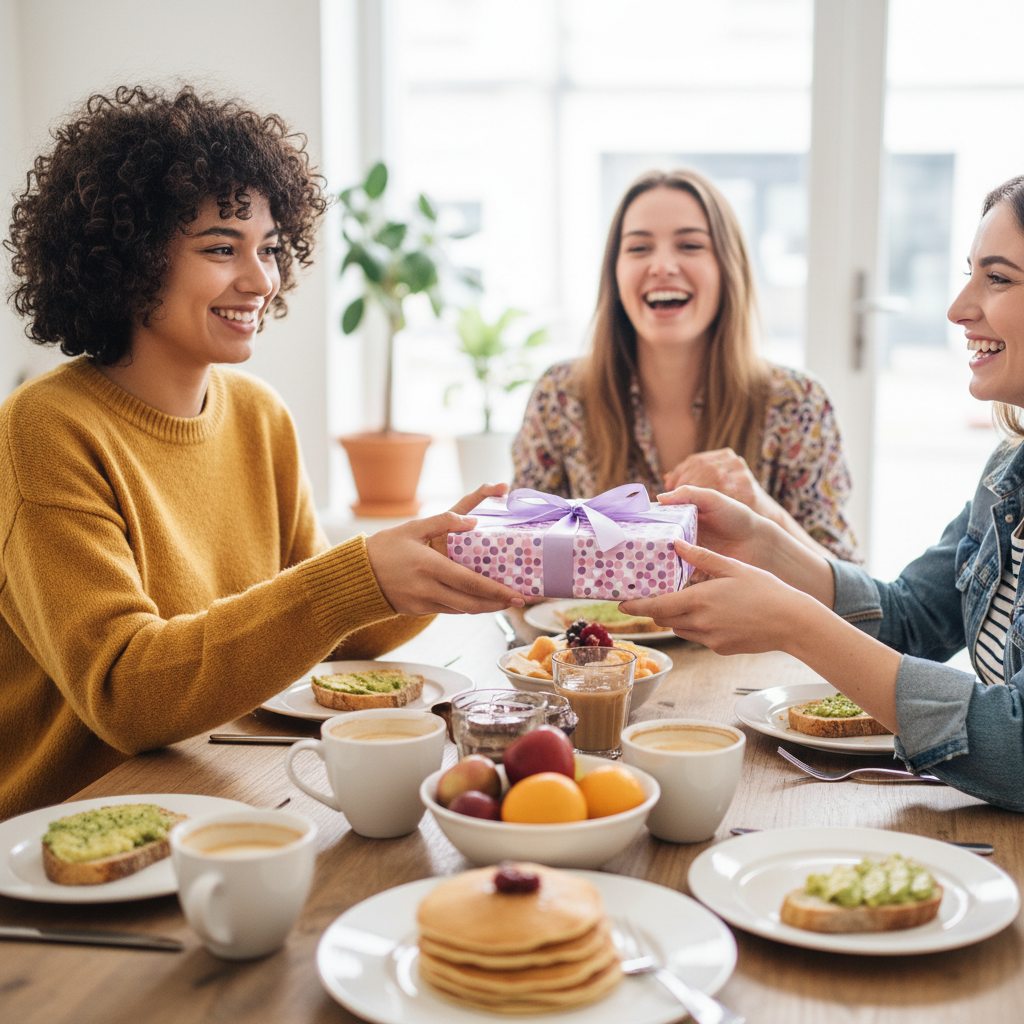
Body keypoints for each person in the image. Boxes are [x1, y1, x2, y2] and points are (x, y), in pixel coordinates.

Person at [0, 86, 523, 820]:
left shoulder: (258, 416)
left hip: (217, 796)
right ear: (129, 258)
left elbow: (330, 638)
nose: (261, 280)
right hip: (65, 842)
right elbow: (125, 692)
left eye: (271, 248)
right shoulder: (44, 429)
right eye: (222, 248)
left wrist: (454, 554)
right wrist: (357, 574)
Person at [621, 176, 1024, 812]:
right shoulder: (1009, 473)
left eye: (997, 278)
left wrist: (790, 622)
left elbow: (1013, 743)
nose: (957, 308)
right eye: (969, 273)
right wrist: (764, 545)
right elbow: (912, 620)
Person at [512, 168, 858, 561]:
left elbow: (854, 596)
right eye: (639, 248)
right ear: (615, 273)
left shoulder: (799, 404)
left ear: (729, 268)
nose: (662, 265)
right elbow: (522, 561)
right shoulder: (559, 397)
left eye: (690, 246)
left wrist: (762, 509)